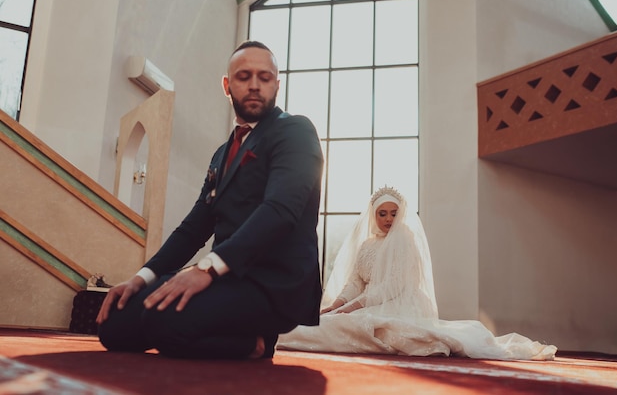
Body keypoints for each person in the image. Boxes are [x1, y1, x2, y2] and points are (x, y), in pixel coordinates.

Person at [97, 40, 324, 360]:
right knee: (114, 324)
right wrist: (142, 277)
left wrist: (205, 269)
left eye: (265, 77)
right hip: (227, 277)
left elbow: (280, 211)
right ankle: (223, 325)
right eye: (244, 77)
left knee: (164, 322)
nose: (255, 85)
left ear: (277, 83)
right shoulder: (222, 153)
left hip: (272, 283)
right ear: (227, 85)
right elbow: (194, 227)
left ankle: (256, 344)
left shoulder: (295, 131)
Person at [277, 186, 558, 360]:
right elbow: (354, 282)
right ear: (374, 215)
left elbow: (393, 287)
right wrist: (334, 307)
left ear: (401, 214)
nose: (388, 219)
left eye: (393, 213)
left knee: (349, 327)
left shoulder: (405, 239)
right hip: (367, 301)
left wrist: (348, 310)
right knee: (324, 322)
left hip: (399, 303)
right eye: (382, 213)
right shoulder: (367, 244)